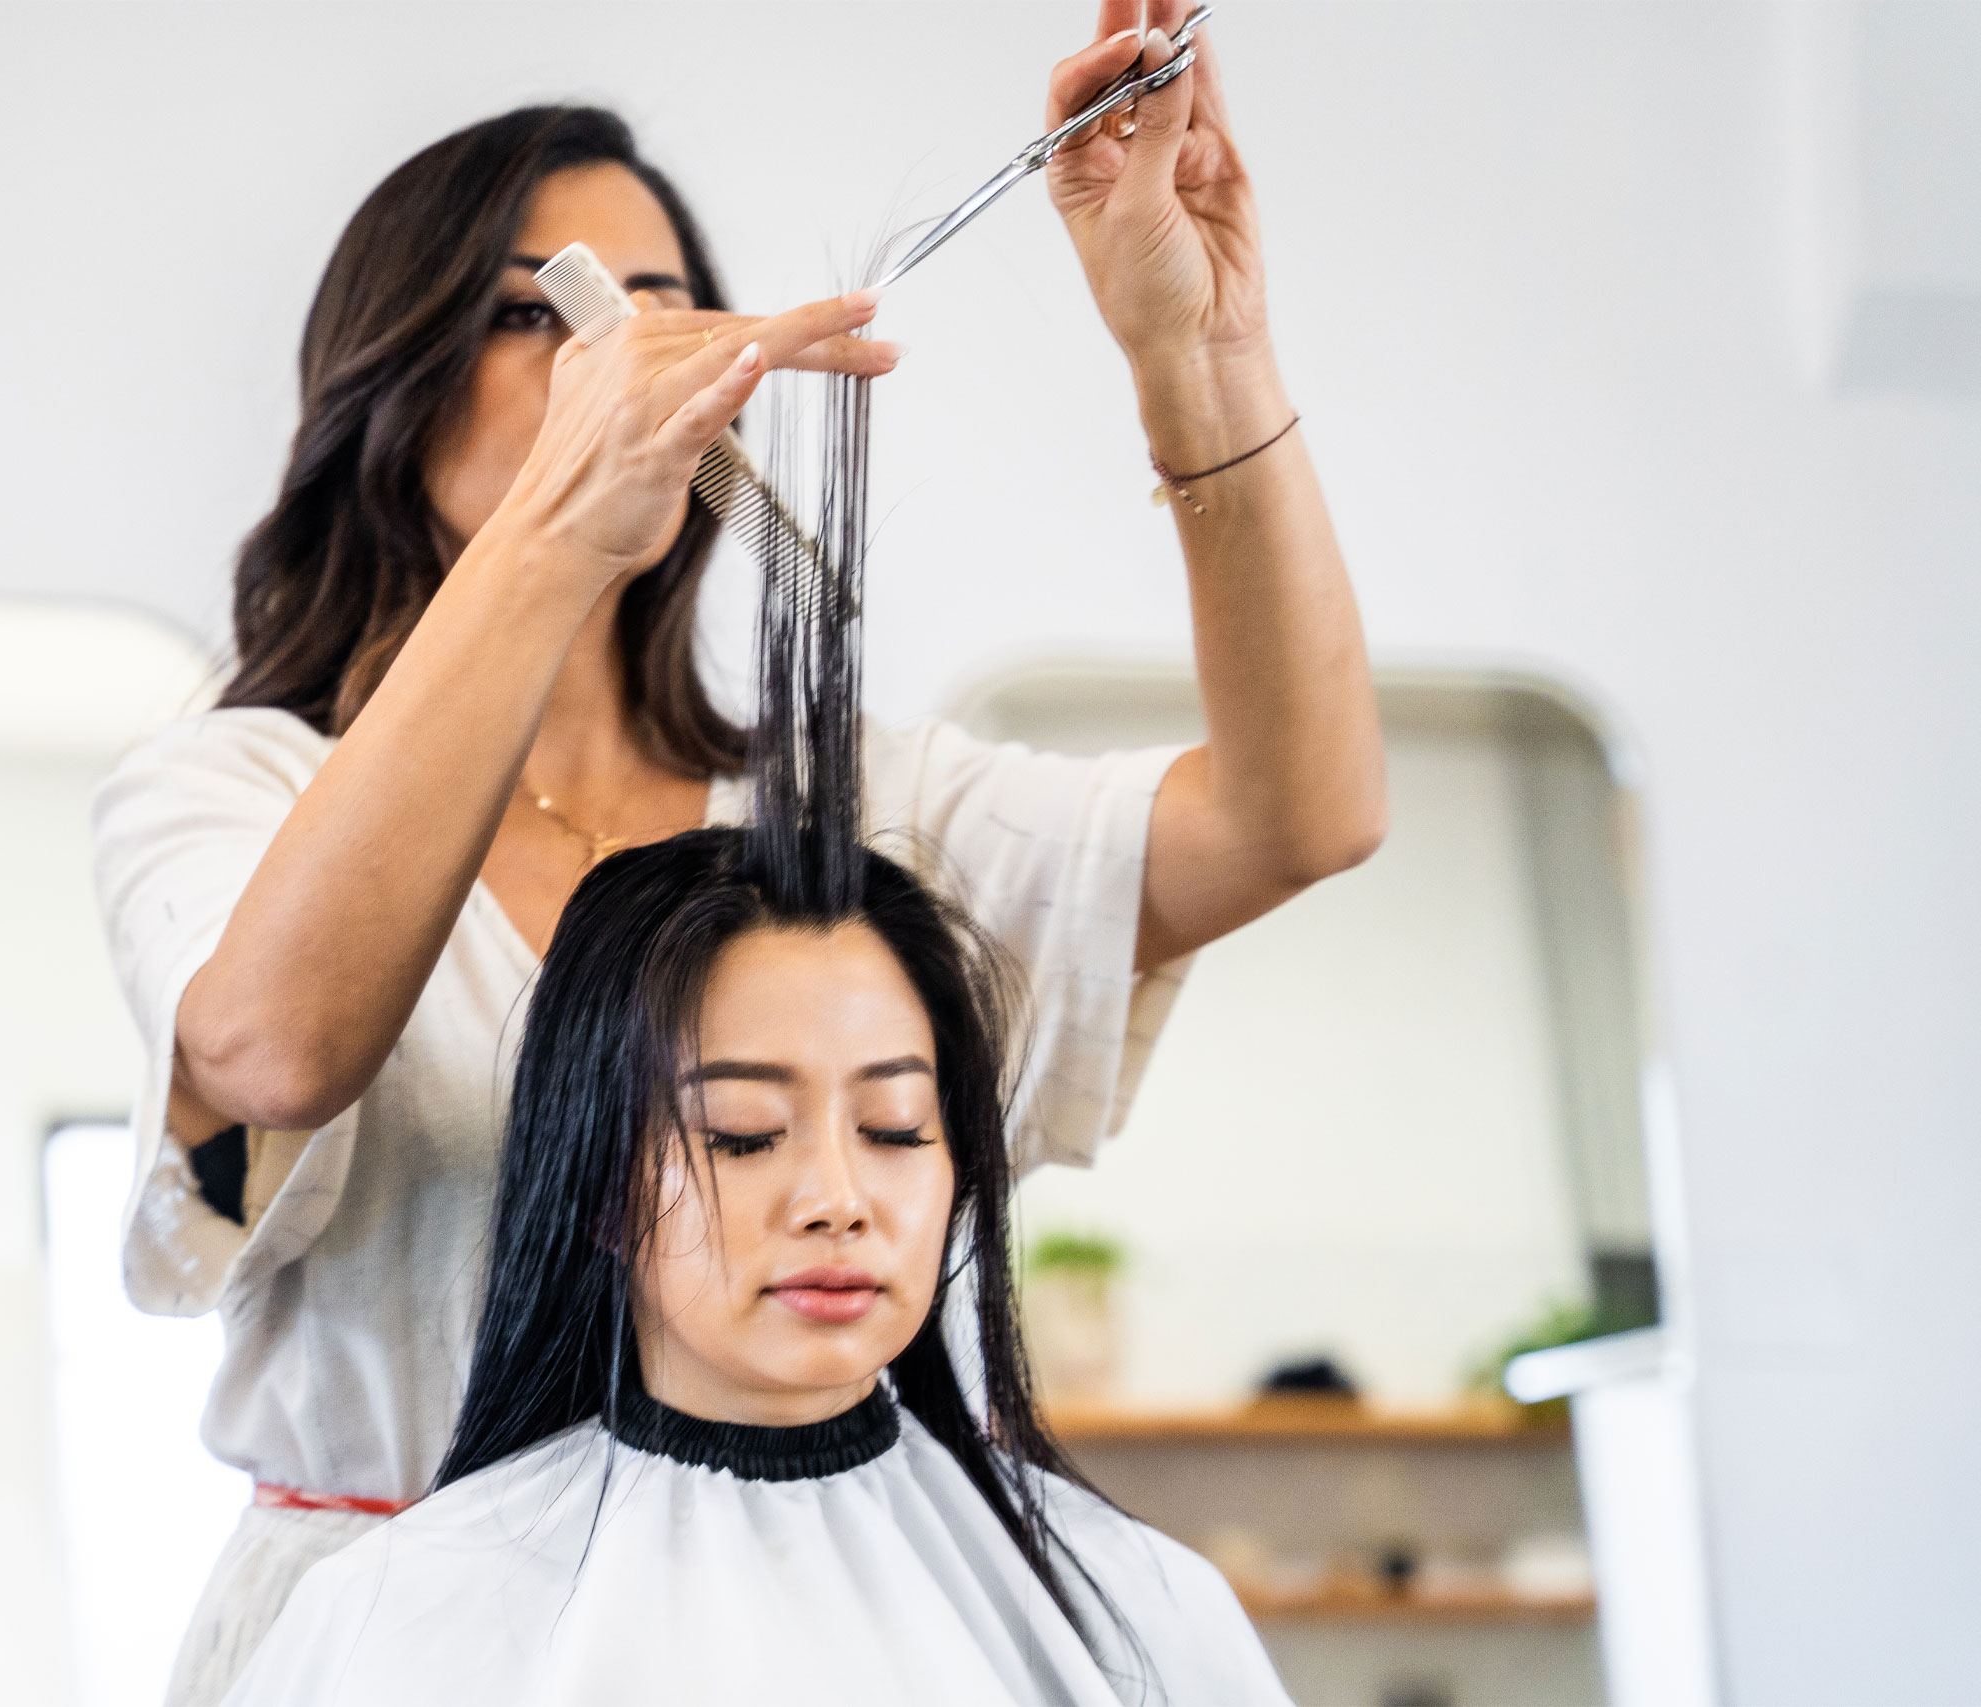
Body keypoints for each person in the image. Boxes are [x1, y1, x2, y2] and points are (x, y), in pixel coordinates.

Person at [92, 9, 1381, 1702]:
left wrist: (1199, 354)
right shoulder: (229, 789)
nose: (610, 351)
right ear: (385, 386)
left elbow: (1301, 813)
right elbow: (275, 1046)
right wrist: (564, 515)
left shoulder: (841, 817)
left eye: (651, 310)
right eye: (530, 309)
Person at [215, 829, 1292, 1706]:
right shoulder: (404, 1616)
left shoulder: (1134, 1604)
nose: (835, 1199)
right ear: (595, 1183)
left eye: (894, 1127)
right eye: (740, 1133)